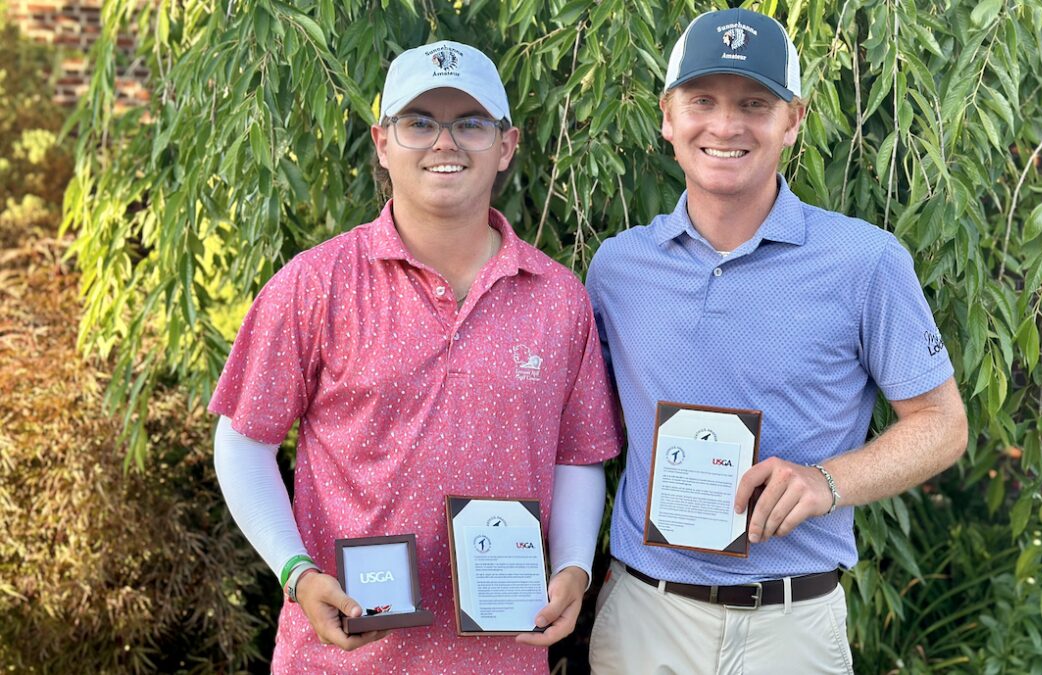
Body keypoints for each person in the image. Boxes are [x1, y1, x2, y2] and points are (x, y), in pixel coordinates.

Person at [210, 40, 622, 673]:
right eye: (419, 122)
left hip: (502, 658)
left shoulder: (559, 300)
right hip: (342, 658)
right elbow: (243, 442)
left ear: (506, 145)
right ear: (382, 143)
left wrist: (573, 566)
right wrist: (295, 572)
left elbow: (577, 455)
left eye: (470, 123)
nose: (444, 142)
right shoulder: (314, 284)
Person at [585, 9, 968, 674]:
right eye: (702, 101)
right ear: (667, 117)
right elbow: (582, 434)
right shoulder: (617, 269)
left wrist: (827, 481)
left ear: (793, 121)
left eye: (754, 104)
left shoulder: (865, 261)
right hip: (646, 621)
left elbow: (943, 425)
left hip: (792, 628)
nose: (726, 125)